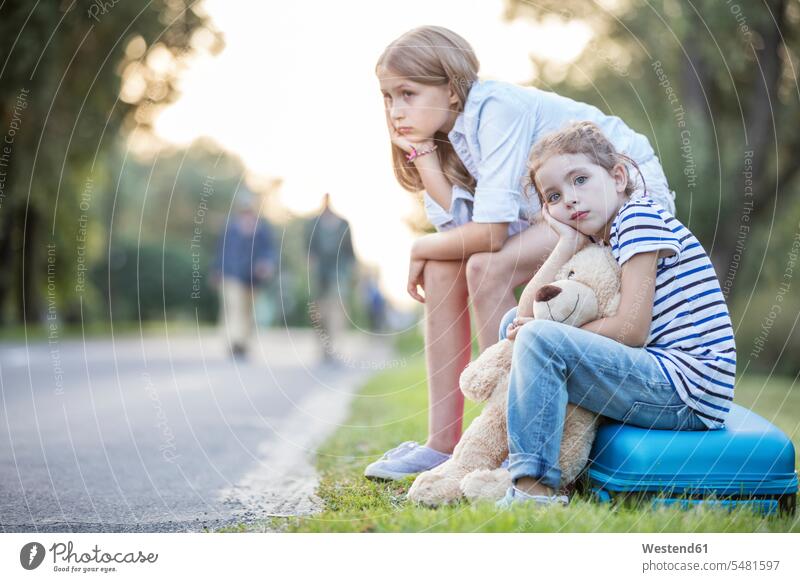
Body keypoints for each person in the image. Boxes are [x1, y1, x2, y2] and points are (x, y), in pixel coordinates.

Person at [364, 25, 678, 480]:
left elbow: (488, 236)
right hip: (555, 213)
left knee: (486, 269)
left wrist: (418, 244)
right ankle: (442, 443)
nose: (396, 110)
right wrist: (426, 160)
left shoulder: (495, 108)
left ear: (451, 91)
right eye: (388, 97)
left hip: (612, 197)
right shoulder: (447, 139)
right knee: (440, 268)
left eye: (408, 94)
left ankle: (512, 436)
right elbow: (459, 231)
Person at [494, 121, 735, 507]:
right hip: (656, 376)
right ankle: (529, 460)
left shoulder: (638, 218)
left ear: (618, 176)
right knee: (516, 324)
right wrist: (565, 244)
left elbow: (631, 330)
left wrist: (544, 333)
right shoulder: (599, 238)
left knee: (538, 336)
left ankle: (533, 488)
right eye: (554, 195)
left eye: (580, 180)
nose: (570, 199)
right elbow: (528, 313)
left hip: (687, 389)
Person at [211, 189, 276, 359]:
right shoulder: (230, 227)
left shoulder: (262, 229)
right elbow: (221, 250)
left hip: (252, 279)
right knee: (234, 309)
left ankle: (243, 343)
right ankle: (235, 342)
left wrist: (266, 264)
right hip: (231, 275)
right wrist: (217, 270)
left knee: (247, 312)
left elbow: (269, 252)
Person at [305, 193, 356, 365]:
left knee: (336, 311)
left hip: (338, 273)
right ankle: (323, 348)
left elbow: (350, 252)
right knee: (320, 313)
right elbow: (309, 250)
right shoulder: (313, 224)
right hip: (320, 276)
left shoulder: (343, 224)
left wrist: (352, 273)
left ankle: (334, 347)